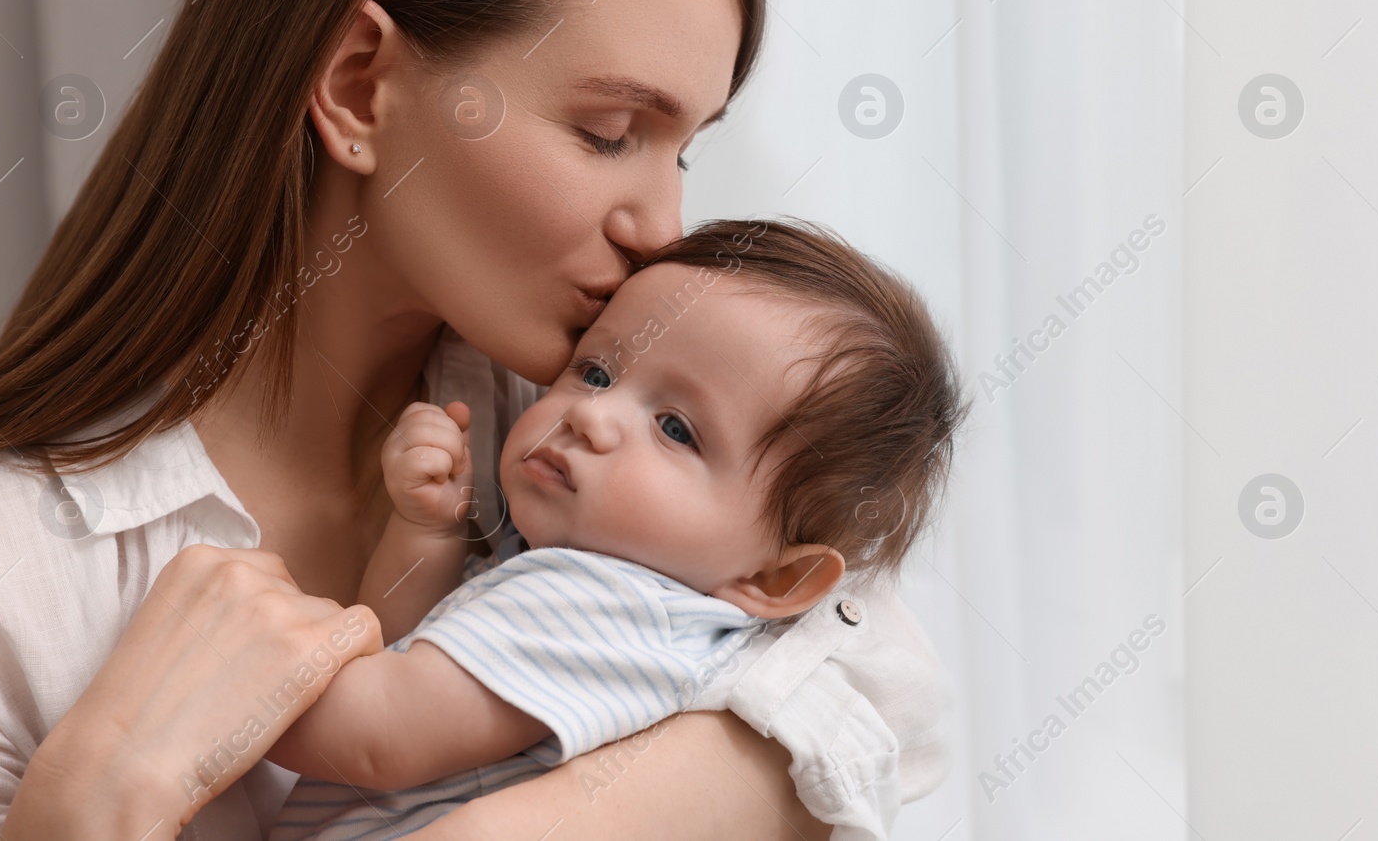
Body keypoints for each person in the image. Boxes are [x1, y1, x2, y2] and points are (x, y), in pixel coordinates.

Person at [0, 0, 954, 837]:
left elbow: (886, 690)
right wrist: (92, 800)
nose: (662, 227)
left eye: (686, 148)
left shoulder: (606, 434)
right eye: (609, 131)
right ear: (356, 86)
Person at [265, 219, 967, 839]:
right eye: (596, 371)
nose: (590, 415)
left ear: (775, 578)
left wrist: (234, 686)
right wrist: (427, 532)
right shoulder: (618, 595)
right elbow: (397, 650)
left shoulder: (604, 602)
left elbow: (381, 730)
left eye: (675, 429)